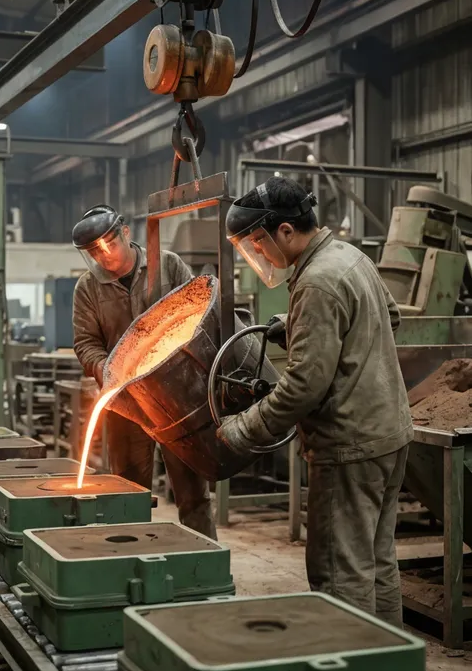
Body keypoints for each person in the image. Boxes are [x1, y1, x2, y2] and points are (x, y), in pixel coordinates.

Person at [218, 177, 412, 627]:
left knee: (339, 574)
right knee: (377, 563)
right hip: (389, 433)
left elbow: (304, 385)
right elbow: (392, 316)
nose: (261, 254)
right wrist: (297, 324)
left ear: (286, 231)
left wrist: (243, 429)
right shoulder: (348, 256)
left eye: (260, 244)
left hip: (350, 446)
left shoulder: (317, 283)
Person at [71, 204, 216, 539]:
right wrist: (107, 369)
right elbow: (85, 342)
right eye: (94, 252)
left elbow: (200, 314)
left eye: (108, 245)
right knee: (127, 492)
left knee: (193, 492)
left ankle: (203, 559)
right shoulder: (88, 288)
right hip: (127, 404)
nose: (103, 256)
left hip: (178, 401)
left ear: (126, 233)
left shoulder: (167, 265)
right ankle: (132, 558)